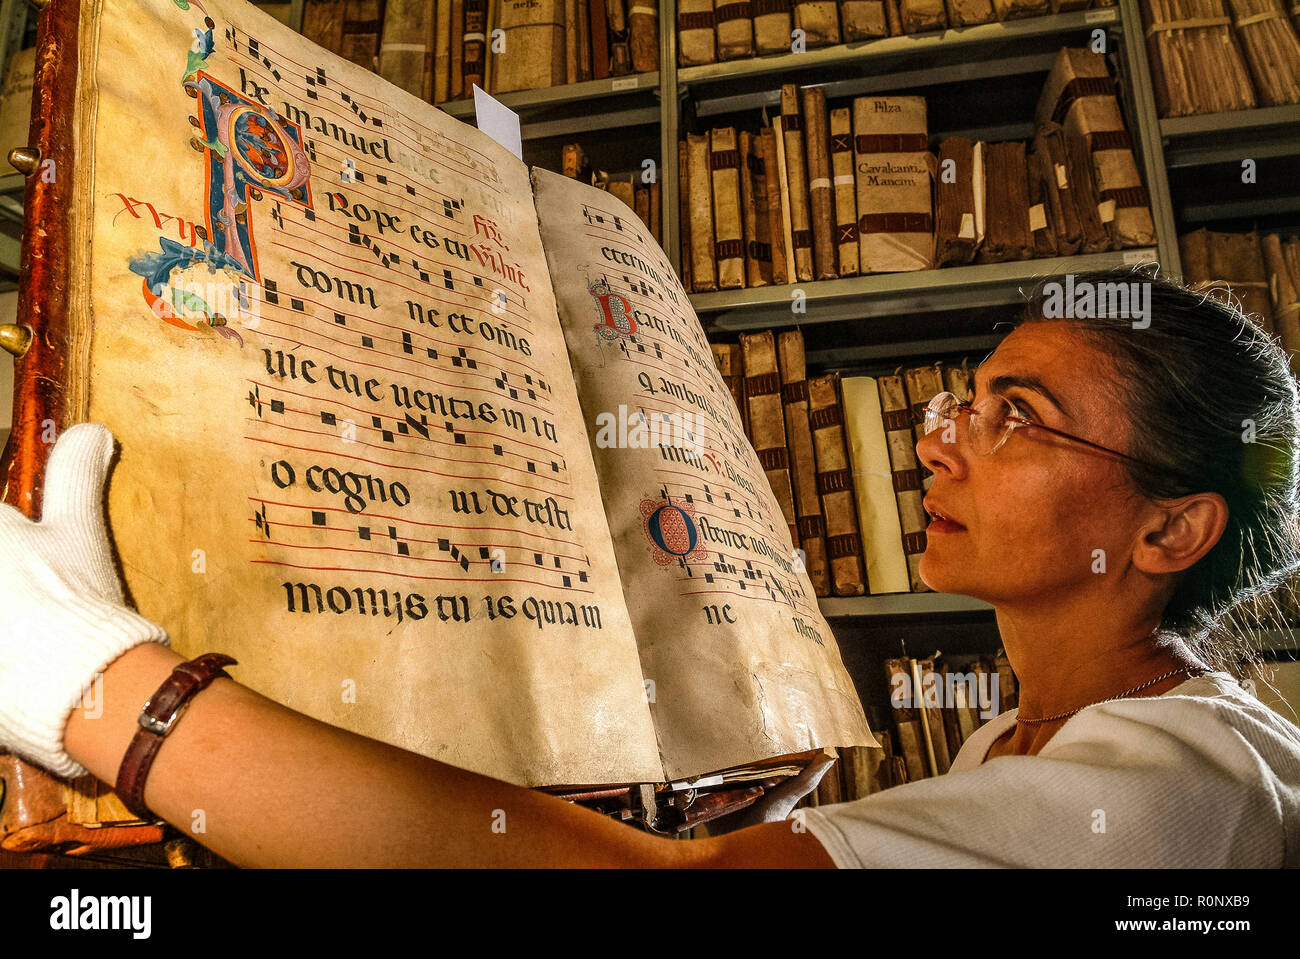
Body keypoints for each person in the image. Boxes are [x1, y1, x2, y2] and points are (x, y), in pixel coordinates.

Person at [1, 266, 1299, 867]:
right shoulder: (1012, 746)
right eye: (961, 398)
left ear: (1170, 530)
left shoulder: (1183, 792)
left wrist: (102, 687)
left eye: (1014, 414)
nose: (939, 435)